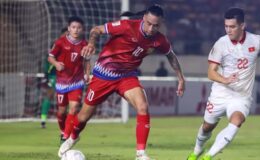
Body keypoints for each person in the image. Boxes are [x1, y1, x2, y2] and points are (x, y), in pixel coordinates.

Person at [58, 5, 185, 160]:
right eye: (149, 24)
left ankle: (141, 154)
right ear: (143, 18)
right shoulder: (126, 26)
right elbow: (96, 30)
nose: (152, 28)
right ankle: (73, 137)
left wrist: (180, 78)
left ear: (161, 23)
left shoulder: (159, 40)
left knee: (143, 107)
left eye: (156, 25)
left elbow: (170, 55)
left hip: (127, 77)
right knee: (83, 116)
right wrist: (91, 44)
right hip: (103, 75)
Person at [187, 8, 260, 160]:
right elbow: (211, 72)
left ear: (242, 25)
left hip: (241, 95)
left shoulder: (256, 40)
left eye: (232, 26)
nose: (228, 30)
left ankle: (208, 156)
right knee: (207, 127)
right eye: (226, 26)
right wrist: (225, 80)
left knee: (237, 121)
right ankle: (197, 151)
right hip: (220, 93)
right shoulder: (221, 44)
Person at [48, 16, 90, 143]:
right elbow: (50, 57)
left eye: (79, 28)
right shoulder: (60, 42)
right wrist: (56, 64)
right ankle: (63, 130)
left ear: (82, 30)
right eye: (73, 27)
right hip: (62, 82)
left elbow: (87, 61)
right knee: (61, 112)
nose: (76, 30)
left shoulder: (85, 44)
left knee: (74, 108)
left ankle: (66, 137)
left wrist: (88, 74)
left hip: (76, 82)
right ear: (68, 28)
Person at [40, 27, 68, 129]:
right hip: (54, 76)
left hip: (66, 77)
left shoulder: (72, 45)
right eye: (65, 34)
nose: (67, 36)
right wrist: (46, 75)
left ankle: (67, 121)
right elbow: (48, 60)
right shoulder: (56, 44)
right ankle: (43, 120)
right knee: (49, 96)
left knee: (67, 99)